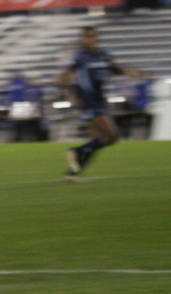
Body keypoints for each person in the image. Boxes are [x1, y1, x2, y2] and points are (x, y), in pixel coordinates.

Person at [61, 26, 143, 181]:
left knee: (97, 141)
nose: (89, 40)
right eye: (86, 37)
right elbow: (63, 78)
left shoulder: (103, 54)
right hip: (89, 100)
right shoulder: (79, 56)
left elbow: (114, 69)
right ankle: (76, 151)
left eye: (92, 37)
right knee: (113, 136)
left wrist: (127, 72)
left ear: (97, 38)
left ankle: (72, 174)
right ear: (82, 39)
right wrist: (71, 96)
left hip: (100, 99)